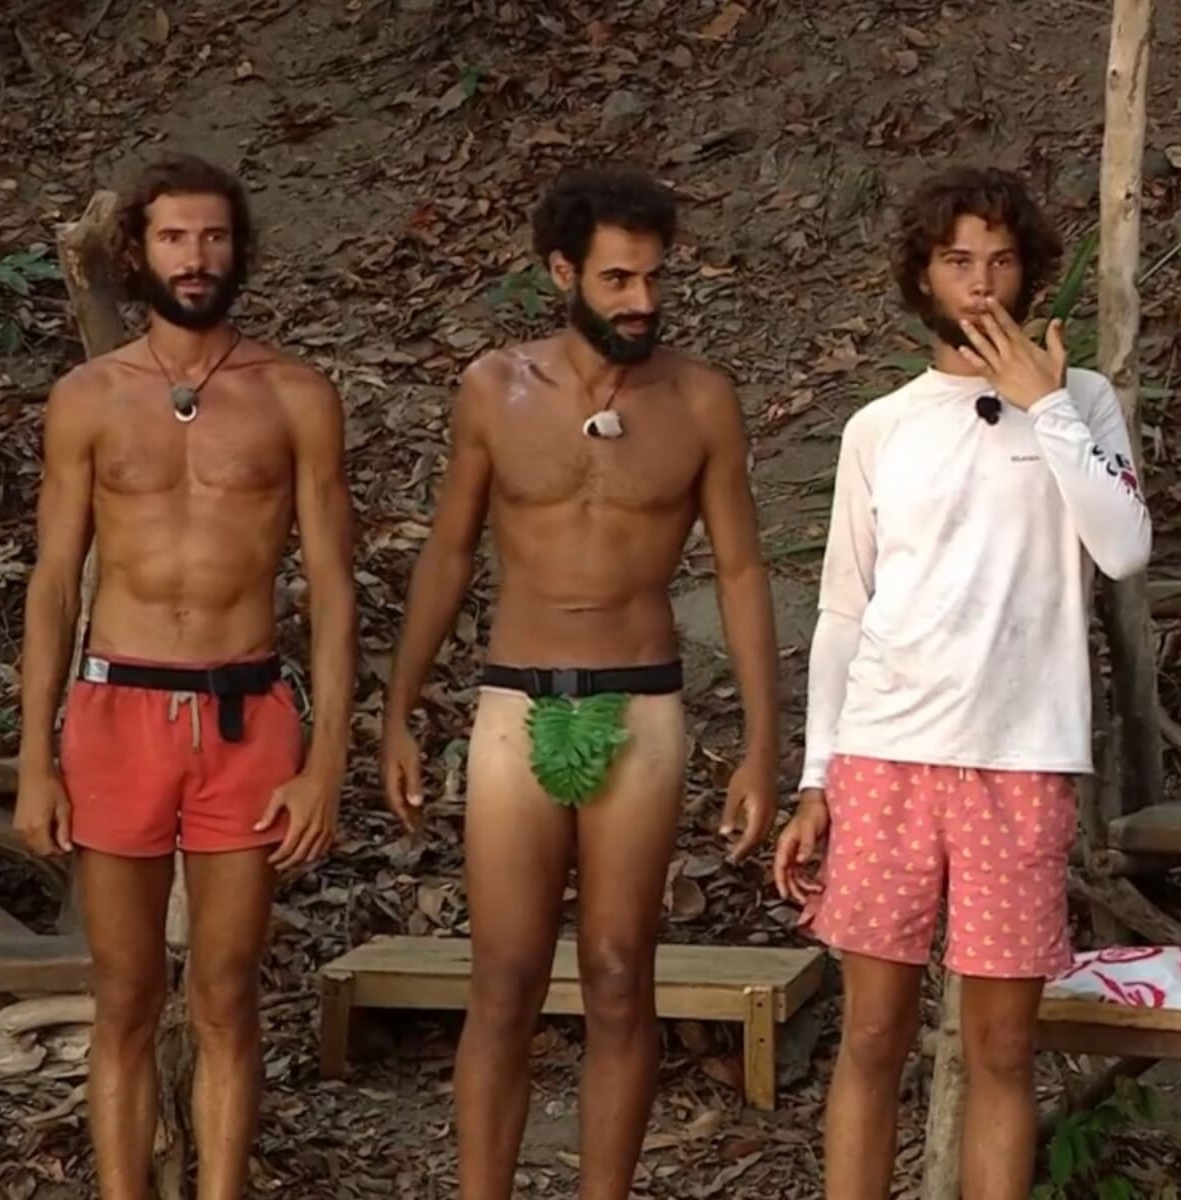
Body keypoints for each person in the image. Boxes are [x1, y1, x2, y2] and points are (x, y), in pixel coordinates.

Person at [381, 165, 780, 1200]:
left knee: (616, 974)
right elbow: (449, 552)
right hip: (515, 699)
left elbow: (740, 570)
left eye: (653, 277)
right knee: (504, 979)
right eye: (617, 280)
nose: (642, 300)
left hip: (640, 700)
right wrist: (399, 709)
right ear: (562, 272)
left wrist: (763, 745)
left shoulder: (700, 399)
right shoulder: (494, 389)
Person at [774, 165, 1152, 1200]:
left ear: (1030, 273)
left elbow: (1123, 549)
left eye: (1001, 260)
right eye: (957, 261)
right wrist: (816, 779)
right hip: (885, 757)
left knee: (999, 1048)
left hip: (1020, 762)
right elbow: (843, 611)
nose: (981, 284)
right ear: (922, 277)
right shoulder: (881, 427)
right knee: (873, 1034)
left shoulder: (1083, 402)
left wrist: (1046, 407)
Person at [14, 153, 356, 1200]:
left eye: (212, 237)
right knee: (124, 997)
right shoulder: (87, 398)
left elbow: (333, 588)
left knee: (225, 997)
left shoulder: (295, 395)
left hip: (246, 715)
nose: (195, 257)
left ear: (238, 249)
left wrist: (327, 761)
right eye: (174, 237)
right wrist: (35, 759)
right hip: (114, 710)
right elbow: (54, 584)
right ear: (137, 251)